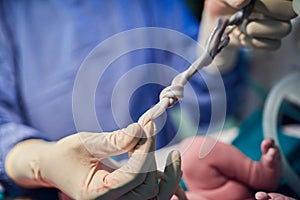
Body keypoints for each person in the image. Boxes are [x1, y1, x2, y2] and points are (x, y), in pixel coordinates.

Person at [0, 0, 295, 200]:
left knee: (194, 154)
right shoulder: (10, 15)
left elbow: (211, 106)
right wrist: (37, 161)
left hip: (168, 167)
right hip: (53, 190)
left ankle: (258, 173)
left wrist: (217, 37)